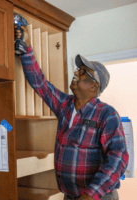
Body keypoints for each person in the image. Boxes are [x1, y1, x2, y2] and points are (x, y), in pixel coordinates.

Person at [15, 26, 128, 200]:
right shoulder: (65, 105)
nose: (77, 73)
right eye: (78, 70)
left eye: (83, 73)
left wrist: (90, 195)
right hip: (70, 196)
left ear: (94, 86)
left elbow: (118, 159)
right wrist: (27, 48)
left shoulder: (107, 114)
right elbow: (40, 84)